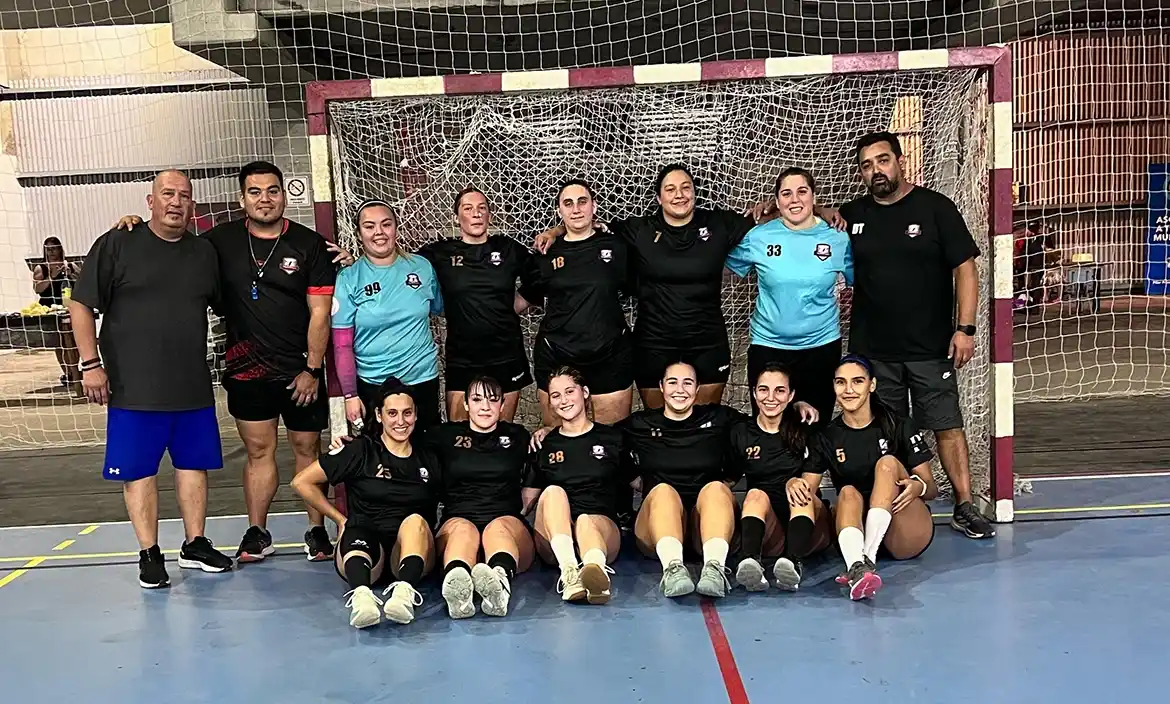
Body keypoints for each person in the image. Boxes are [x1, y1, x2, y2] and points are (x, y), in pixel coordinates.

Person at [113, 160, 352, 563]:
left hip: (300, 370)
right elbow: (169, 236)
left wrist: (312, 369)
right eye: (255, 192)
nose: (264, 199)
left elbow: (319, 313)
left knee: (306, 448)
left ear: (284, 195)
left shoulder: (310, 245)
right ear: (242, 198)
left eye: (272, 190)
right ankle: (257, 531)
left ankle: (317, 532)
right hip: (247, 368)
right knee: (259, 452)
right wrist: (135, 223)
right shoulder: (217, 242)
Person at [68, 170, 233, 588]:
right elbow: (81, 304)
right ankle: (149, 553)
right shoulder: (118, 243)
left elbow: (226, 300)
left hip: (192, 386)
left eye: (184, 196)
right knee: (139, 473)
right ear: (150, 201)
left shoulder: (203, 254)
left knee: (194, 466)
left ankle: (195, 544)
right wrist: (90, 364)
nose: (176, 202)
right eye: (167, 194)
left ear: (192, 205)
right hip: (133, 389)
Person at [836, 131, 995, 540]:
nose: (877, 170)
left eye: (883, 160)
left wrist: (965, 328)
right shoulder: (853, 215)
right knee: (887, 432)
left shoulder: (935, 208)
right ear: (861, 172)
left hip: (930, 347)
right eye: (867, 165)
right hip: (874, 352)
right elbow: (817, 215)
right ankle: (898, 507)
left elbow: (966, 269)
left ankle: (964, 504)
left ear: (900, 161)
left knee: (946, 424)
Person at [290, 378, 440, 629]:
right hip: (366, 549)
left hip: (408, 552)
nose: (400, 421)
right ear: (379, 416)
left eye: (407, 413)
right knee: (356, 528)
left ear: (416, 415)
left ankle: (403, 596)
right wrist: (339, 519)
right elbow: (301, 482)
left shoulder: (429, 455)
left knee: (415, 521)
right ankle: (361, 597)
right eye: (392, 413)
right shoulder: (360, 450)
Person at [726, 167, 853, 426]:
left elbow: (859, 282)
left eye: (802, 191)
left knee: (815, 428)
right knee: (772, 427)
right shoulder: (759, 236)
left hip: (821, 347)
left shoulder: (838, 237)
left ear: (814, 197)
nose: (794, 200)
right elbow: (721, 268)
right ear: (777, 201)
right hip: (769, 347)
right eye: (786, 193)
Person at [812, 354, 938, 600]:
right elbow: (808, 488)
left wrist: (917, 487)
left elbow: (932, 488)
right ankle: (857, 567)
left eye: (857, 381)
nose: (848, 390)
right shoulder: (826, 436)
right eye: (841, 382)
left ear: (872, 385)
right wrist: (794, 484)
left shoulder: (897, 424)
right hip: (855, 529)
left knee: (887, 463)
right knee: (846, 492)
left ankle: (865, 560)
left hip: (903, 529)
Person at [519, 179, 635, 426]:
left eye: (582, 201)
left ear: (594, 206)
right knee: (559, 438)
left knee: (611, 439)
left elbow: (635, 288)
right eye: (568, 203)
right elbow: (526, 297)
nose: (576, 209)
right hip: (557, 354)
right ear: (560, 211)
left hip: (609, 355)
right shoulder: (545, 253)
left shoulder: (617, 247)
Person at [417, 188, 538, 422]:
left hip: (506, 354)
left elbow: (539, 278)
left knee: (501, 432)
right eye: (468, 208)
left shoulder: (508, 249)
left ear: (490, 215)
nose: (476, 214)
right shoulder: (440, 253)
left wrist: (510, 307)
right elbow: (401, 265)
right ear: (456, 217)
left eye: (482, 208)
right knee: (459, 435)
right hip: (463, 357)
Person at [333, 199, 444, 431]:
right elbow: (342, 345)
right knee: (381, 460)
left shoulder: (421, 267)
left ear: (396, 227)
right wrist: (350, 395)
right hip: (374, 384)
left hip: (421, 379)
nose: (379, 232)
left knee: (427, 455)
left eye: (386, 224)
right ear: (359, 233)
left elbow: (438, 309)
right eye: (369, 226)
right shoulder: (349, 277)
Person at [429, 376, 534, 619]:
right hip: (458, 521)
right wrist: (354, 443)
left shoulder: (519, 436)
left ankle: (499, 585)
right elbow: (397, 438)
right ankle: (459, 590)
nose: (485, 407)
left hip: (506, 525)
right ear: (465, 404)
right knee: (465, 530)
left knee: (495, 528)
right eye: (477, 399)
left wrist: (547, 431)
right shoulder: (443, 436)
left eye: (492, 400)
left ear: (503, 404)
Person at [726, 363, 835, 592]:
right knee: (754, 494)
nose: (771, 398)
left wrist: (793, 480)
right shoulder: (741, 432)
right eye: (764, 389)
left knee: (802, 492)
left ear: (791, 395)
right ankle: (751, 562)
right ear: (754, 392)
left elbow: (811, 486)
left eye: (780, 391)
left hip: (810, 526)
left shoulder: (806, 430)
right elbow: (728, 480)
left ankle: (793, 564)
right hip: (772, 529)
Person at [524, 367, 627, 605]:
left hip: (601, 528)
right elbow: (526, 503)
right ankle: (570, 573)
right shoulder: (544, 444)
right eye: (556, 395)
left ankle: (595, 572)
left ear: (585, 392)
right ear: (549, 402)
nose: (564, 400)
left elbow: (640, 482)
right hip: (556, 539)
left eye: (570, 391)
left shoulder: (613, 439)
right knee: (553, 492)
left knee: (585, 521)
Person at [31, 236, 82, 384]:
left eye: (54, 248)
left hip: (69, 306)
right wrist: (52, 277)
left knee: (73, 341)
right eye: (48, 249)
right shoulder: (42, 268)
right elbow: (37, 288)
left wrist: (70, 272)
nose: (52, 252)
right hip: (50, 308)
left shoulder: (70, 265)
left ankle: (74, 369)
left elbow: (83, 281)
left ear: (60, 249)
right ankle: (67, 372)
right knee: (59, 343)